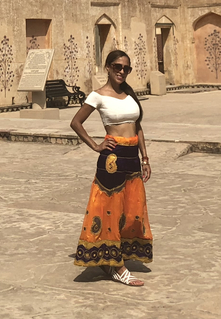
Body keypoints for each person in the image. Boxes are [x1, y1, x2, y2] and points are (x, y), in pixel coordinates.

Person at [70, 49, 153, 286]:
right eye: (117, 66)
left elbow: (137, 126)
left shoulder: (129, 93)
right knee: (110, 211)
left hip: (132, 158)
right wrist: (96, 145)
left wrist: (145, 157)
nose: (121, 71)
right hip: (112, 160)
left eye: (126, 68)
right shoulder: (98, 96)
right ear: (107, 67)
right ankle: (117, 267)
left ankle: (112, 258)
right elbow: (76, 122)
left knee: (131, 210)